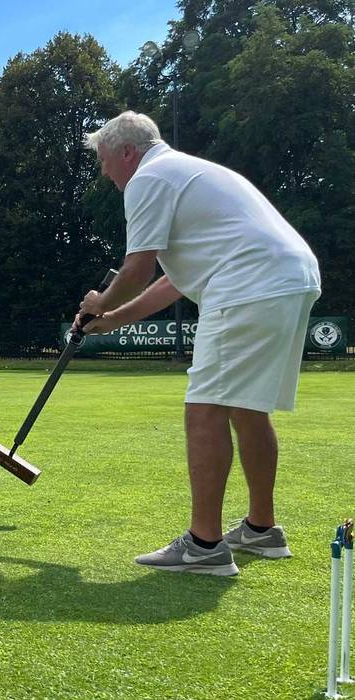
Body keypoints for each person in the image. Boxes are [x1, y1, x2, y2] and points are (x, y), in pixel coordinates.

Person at [78, 111, 321, 577]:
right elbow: (172, 281)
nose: (105, 172)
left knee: (206, 406)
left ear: (127, 151)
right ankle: (260, 529)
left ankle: (205, 545)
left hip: (250, 282)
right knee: (247, 407)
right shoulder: (186, 172)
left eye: (106, 161)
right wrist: (111, 319)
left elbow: (137, 270)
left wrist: (98, 301)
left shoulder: (148, 179)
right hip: (290, 277)